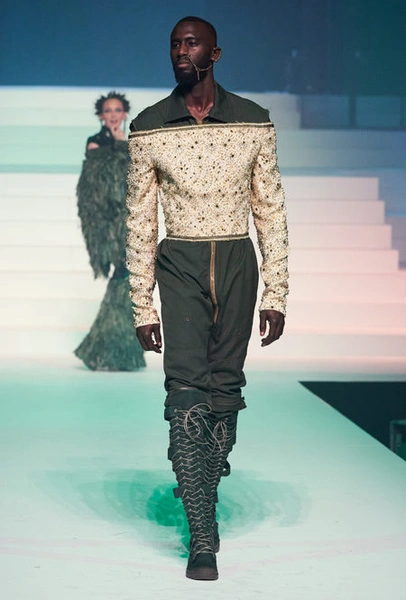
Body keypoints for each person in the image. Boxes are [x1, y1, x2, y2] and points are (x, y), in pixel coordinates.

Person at [126, 17, 288, 580]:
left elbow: (270, 207)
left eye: (190, 43)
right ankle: (201, 534)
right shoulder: (149, 127)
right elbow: (139, 221)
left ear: (215, 53)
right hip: (180, 263)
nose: (180, 51)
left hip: (239, 262)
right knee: (185, 392)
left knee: (225, 392)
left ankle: (199, 484)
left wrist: (277, 291)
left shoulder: (253, 120)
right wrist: (142, 303)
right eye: (174, 44)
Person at [74, 91, 145, 371]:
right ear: (101, 116)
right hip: (109, 224)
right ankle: (110, 350)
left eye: (118, 110)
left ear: (124, 113)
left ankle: (107, 349)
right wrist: (119, 145)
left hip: (130, 219)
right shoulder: (95, 143)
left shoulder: (132, 141)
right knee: (122, 275)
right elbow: (105, 185)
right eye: (108, 110)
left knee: (126, 279)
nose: (113, 115)